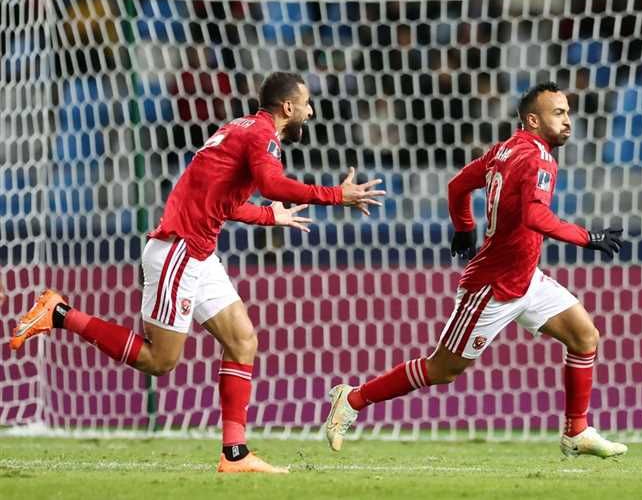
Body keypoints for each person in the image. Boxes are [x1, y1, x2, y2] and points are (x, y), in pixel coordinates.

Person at [9, 72, 385, 473]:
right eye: (306, 104)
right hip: (179, 250)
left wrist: (267, 218)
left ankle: (234, 454)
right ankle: (60, 313)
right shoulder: (262, 136)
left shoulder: (239, 128)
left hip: (198, 252)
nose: (310, 112)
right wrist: (335, 195)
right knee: (159, 360)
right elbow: (272, 185)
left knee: (242, 341)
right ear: (288, 107)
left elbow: (220, 200)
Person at [323, 82, 628, 458]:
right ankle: (352, 399)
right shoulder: (538, 158)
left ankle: (576, 431)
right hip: (493, 286)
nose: (568, 121)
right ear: (533, 120)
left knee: (584, 336)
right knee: (442, 369)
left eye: (567, 112)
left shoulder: (504, 150)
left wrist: (464, 227)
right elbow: (535, 216)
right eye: (558, 113)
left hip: (525, 278)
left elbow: (458, 186)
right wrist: (588, 238)